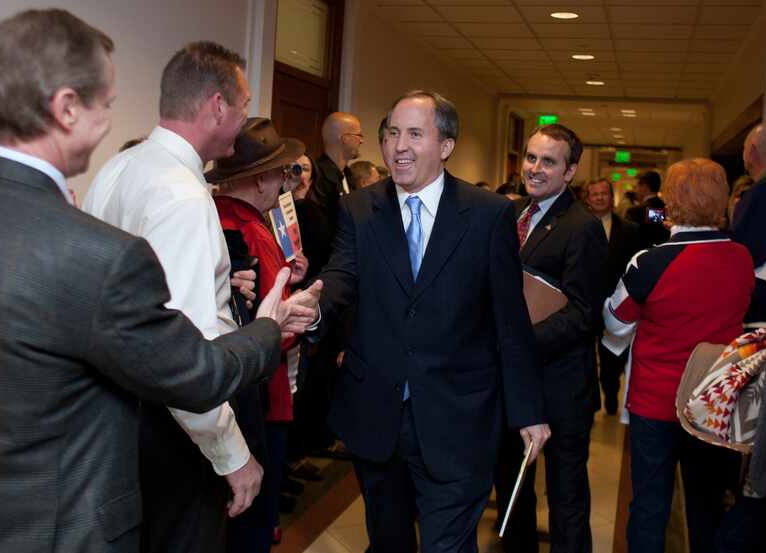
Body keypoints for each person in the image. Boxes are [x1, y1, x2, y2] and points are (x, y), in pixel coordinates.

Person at [0, 9, 315, 553]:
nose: (109, 121)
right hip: (60, 525)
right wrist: (268, 326)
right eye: (106, 104)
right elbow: (193, 371)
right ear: (67, 108)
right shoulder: (95, 252)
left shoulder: (105, 181)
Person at [83, 41, 320, 553]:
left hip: (118, 424)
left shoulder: (118, 170)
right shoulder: (184, 198)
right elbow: (185, 356)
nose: (243, 118)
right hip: (172, 434)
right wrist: (233, 455)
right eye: (243, 103)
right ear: (217, 106)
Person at [317, 90, 550, 553]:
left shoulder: (488, 216)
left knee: (448, 545)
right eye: (391, 134)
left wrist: (528, 410)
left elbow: (509, 319)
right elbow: (340, 278)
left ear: (445, 146)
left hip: (459, 416)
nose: (399, 145)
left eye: (414, 134)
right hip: (377, 415)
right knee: (388, 541)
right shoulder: (360, 209)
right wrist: (311, 306)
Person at [605, 158, 754, 553]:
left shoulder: (649, 262)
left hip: (655, 402)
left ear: (670, 201)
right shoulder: (741, 258)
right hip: (713, 403)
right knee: (705, 507)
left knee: (650, 505)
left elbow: (616, 322)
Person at [495, 124, 608, 553]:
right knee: (511, 487)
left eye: (548, 162)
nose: (535, 169)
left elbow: (583, 315)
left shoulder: (582, 227)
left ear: (570, 172)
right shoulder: (511, 214)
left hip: (560, 386)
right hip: (511, 384)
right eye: (530, 158)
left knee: (566, 496)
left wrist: (517, 342)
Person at [206, 117, 312, 551]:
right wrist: (302, 312)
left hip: (218, 396)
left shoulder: (212, 214)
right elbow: (276, 329)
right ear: (262, 176)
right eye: (282, 172)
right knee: (250, 526)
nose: (284, 183)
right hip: (257, 397)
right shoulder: (250, 228)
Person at [586, 178, 640, 414]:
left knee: (611, 358)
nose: (599, 197)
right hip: (585, 303)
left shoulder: (629, 229)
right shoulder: (578, 227)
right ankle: (589, 401)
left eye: (604, 193)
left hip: (615, 305)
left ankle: (609, 393)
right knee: (585, 357)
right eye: (594, 194)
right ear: (587, 199)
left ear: (611, 197)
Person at [732, 121, 766, 325]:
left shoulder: (760, 194)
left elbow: (743, 256)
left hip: (763, 314)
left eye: (744, 149)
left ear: (752, 152)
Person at [308, 111, 363, 232]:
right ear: (345, 139)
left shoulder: (348, 175)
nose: (361, 141)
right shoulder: (316, 177)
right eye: (359, 135)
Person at [626, 170, 670, 247]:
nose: (635, 190)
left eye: (637, 187)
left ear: (644, 187)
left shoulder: (636, 211)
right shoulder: (666, 208)